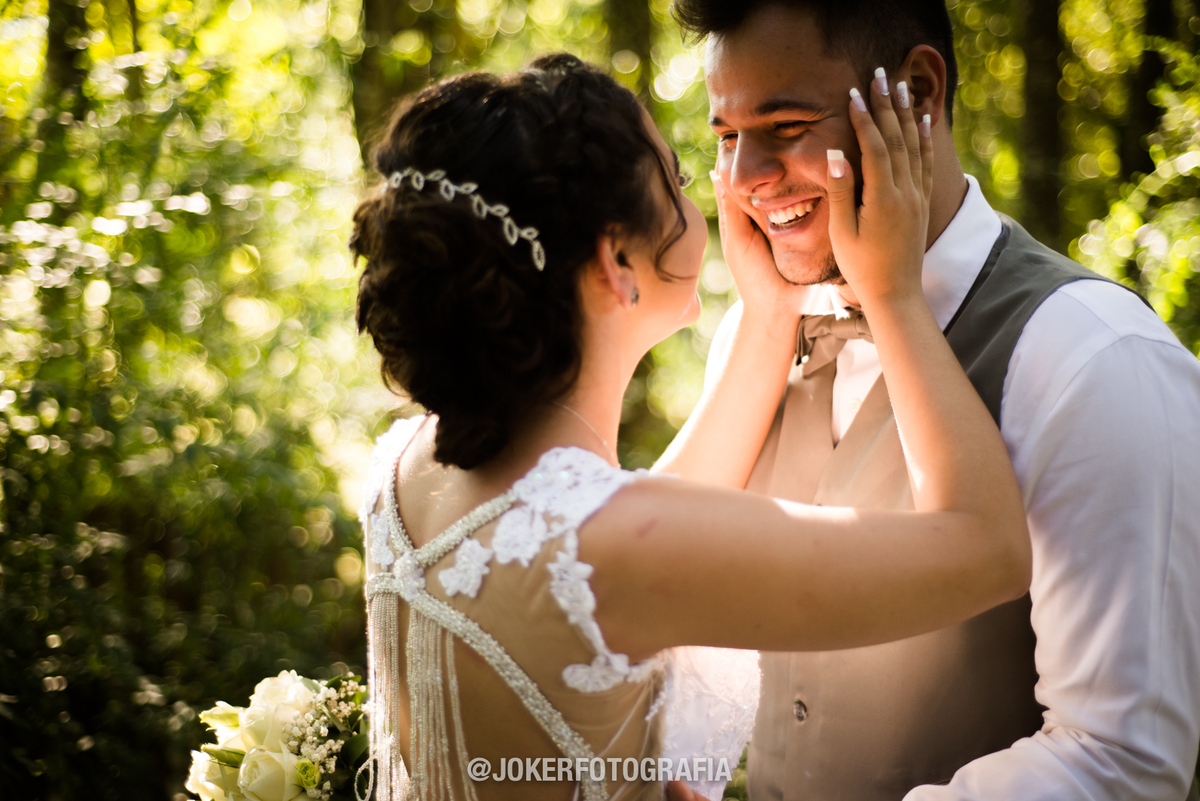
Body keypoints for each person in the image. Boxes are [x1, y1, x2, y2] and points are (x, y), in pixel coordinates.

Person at [350, 53, 1029, 801]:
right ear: (616, 259)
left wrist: (771, 315)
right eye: (676, 177)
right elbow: (988, 548)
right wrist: (894, 292)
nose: (729, 187)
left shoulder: (405, 472)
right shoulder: (612, 542)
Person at [658, 1, 1200, 800]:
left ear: (915, 90)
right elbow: (662, 590)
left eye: (785, 125)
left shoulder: (1094, 355)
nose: (743, 180)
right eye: (728, 137)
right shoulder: (761, 328)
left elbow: (1122, 759)